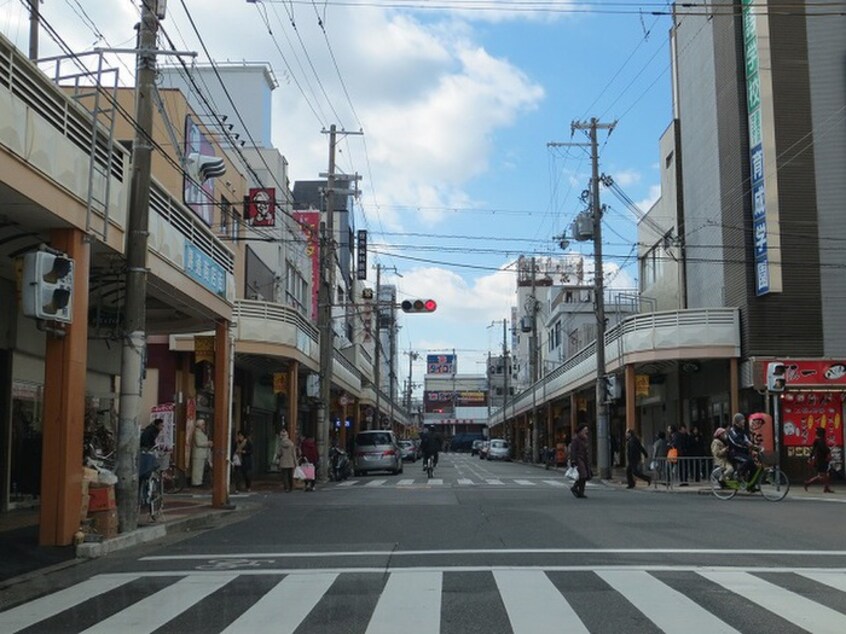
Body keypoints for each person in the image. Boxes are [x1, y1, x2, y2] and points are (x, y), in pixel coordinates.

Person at [804, 427, 834, 493]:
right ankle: (808, 483)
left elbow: (812, 450)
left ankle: (826, 488)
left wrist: (810, 457)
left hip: (820, 460)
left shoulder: (817, 440)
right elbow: (824, 449)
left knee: (826, 475)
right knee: (822, 475)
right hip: (821, 460)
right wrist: (829, 451)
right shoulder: (821, 440)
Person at [727, 413, 755, 480]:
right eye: (742, 420)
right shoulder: (732, 430)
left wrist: (754, 446)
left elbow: (747, 440)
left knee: (754, 465)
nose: (744, 422)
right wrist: (745, 444)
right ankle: (739, 473)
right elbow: (735, 442)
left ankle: (751, 485)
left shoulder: (742, 431)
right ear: (737, 421)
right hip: (734, 453)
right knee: (749, 460)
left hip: (743, 453)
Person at [569, 423, 592, 499]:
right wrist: (573, 460)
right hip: (579, 459)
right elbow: (573, 451)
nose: (586, 431)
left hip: (584, 459)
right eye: (585, 430)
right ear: (581, 431)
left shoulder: (585, 439)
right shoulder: (576, 439)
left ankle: (580, 491)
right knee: (583, 475)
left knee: (584, 476)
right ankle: (575, 487)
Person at [190, 419, 213, 487]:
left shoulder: (201, 432)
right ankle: (196, 483)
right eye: (203, 424)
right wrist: (208, 443)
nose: (204, 426)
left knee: (200, 470)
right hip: (198, 455)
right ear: (199, 425)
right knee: (197, 470)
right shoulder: (196, 433)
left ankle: (199, 482)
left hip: (201, 454)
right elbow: (199, 443)